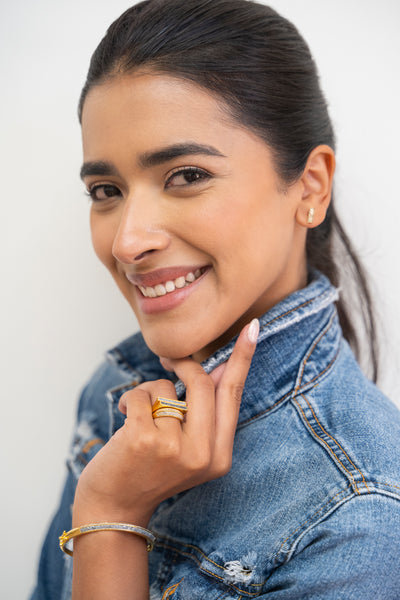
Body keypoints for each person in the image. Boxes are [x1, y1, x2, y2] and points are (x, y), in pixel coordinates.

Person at [31, 1, 400, 598]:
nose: (127, 241)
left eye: (186, 176)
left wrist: (110, 514)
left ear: (310, 187)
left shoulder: (363, 514)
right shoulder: (118, 392)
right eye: (105, 190)